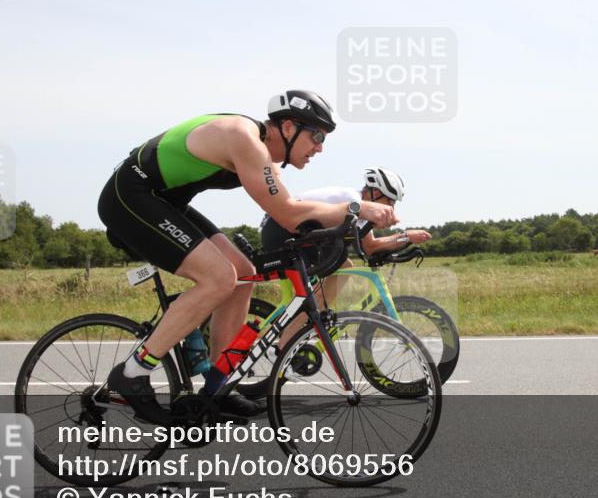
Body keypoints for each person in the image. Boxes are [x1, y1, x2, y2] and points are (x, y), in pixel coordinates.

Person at [98, 91, 397, 423]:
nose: (320, 147)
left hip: (165, 202)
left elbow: (297, 213)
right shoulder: (245, 139)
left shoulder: (263, 156)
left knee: (242, 272)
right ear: (287, 126)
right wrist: (358, 207)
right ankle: (132, 373)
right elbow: (287, 213)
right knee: (219, 277)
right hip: (130, 196)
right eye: (317, 135)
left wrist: (345, 226)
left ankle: (217, 384)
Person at [260, 167, 431, 348]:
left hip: (284, 232)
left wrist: (406, 238)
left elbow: (370, 246)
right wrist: (406, 236)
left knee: (338, 273)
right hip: (280, 231)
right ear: (374, 192)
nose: (391, 207)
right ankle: (284, 347)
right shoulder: (352, 201)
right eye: (389, 200)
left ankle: (303, 329)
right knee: (319, 294)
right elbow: (369, 247)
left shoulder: (361, 210)